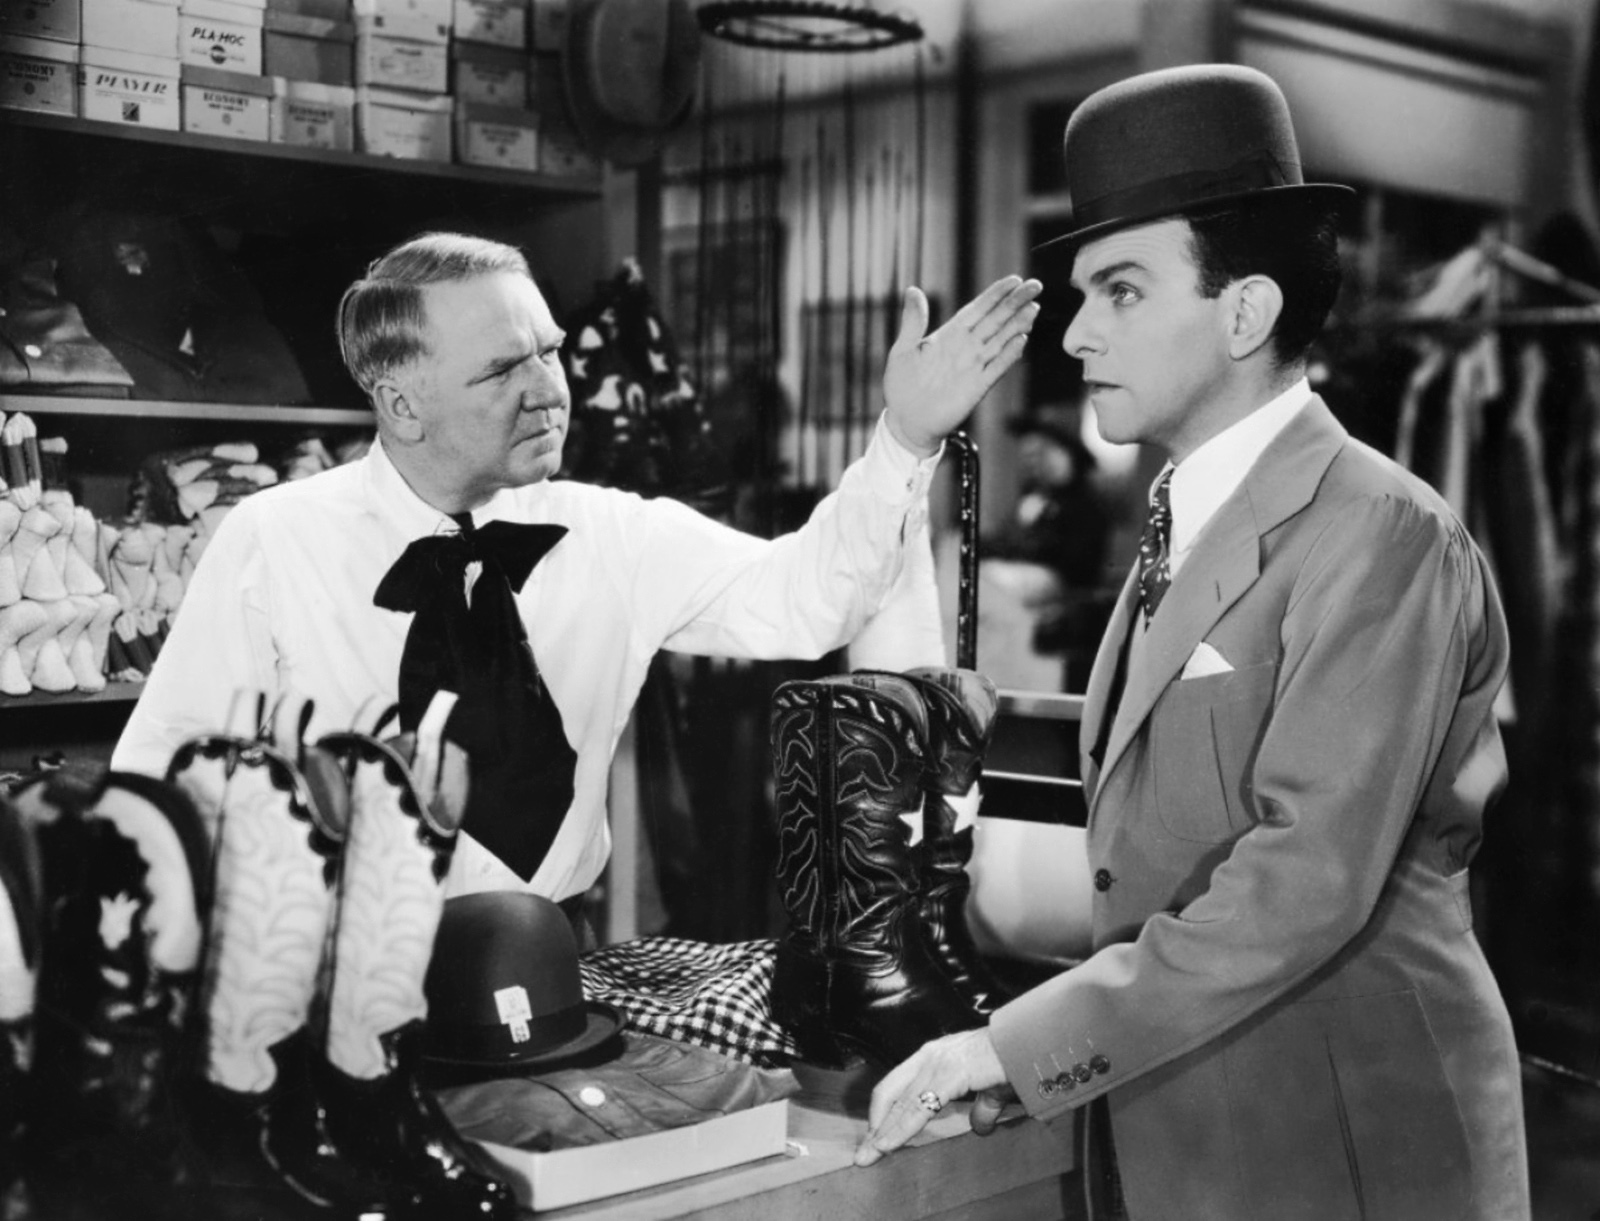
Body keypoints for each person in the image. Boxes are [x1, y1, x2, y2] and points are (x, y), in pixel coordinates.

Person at [852, 64, 1529, 1221]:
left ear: (1243, 312)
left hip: (1345, 1139)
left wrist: (1012, 1046)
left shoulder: (1381, 531)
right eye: (1081, 296)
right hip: (1192, 1119)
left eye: (1120, 291)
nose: (1076, 335)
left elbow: (1302, 880)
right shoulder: (1186, 515)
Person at [111, 232, 1042, 908]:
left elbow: (808, 600)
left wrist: (904, 438)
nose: (550, 389)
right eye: (503, 370)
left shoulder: (609, 534)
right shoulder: (274, 540)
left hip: (549, 969)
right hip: (331, 981)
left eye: (550, 350)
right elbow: (162, 777)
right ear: (401, 404)